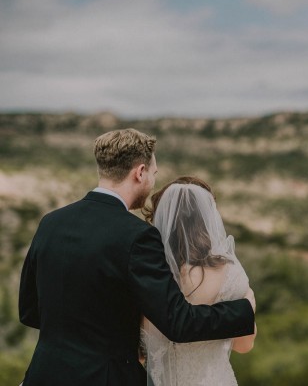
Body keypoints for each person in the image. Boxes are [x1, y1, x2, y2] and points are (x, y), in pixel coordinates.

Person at [18, 129, 255, 386]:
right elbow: (177, 322)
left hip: (42, 374)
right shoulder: (137, 236)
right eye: (153, 174)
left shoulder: (51, 222)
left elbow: (29, 311)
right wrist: (242, 310)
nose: (152, 181)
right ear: (140, 172)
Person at [141, 176, 257, 386]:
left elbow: (139, 352)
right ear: (207, 219)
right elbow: (243, 345)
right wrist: (249, 304)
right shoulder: (229, 273)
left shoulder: (145, 275)